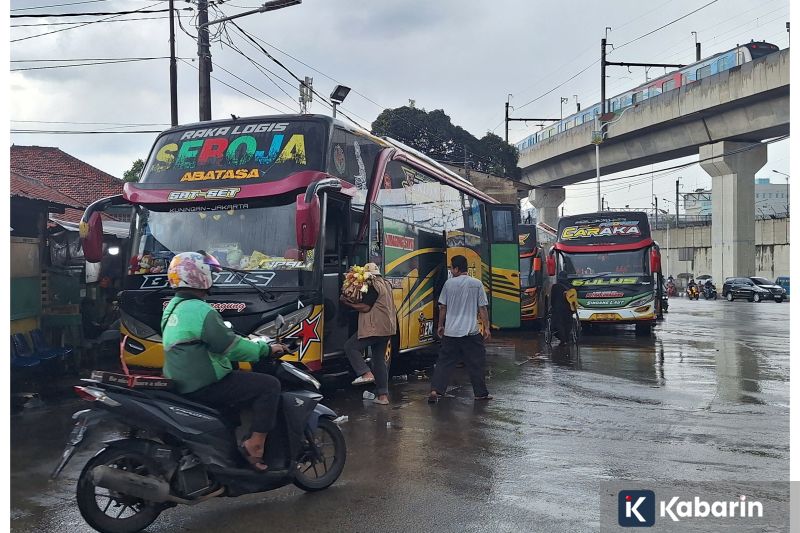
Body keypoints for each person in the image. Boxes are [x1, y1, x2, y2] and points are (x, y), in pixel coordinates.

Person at [161, 252, 287, 472]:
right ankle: (255, 445)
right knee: (269, 386)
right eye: (208, 272)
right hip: (204, 383)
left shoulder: (172, 308)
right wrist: (265, 349)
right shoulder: (201, 310)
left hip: (180, 380)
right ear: (198, 276)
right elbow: (230, 347)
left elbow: (217, 340)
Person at [428, 255, 492, 403]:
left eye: (451, 267)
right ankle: (480, 393)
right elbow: (482, 308)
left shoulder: (448, 284)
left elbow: (443, 307)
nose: (451, 270)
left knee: (444, 362)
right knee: (476, 362)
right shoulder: (476, 284)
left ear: (457, 269)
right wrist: (487, 327)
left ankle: (435, 390)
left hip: (451, 332)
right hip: (470, 332)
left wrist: (440, 325)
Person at [340, 262, 398, 406]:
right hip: (387, 329)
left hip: (374, 328)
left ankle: (365, 373)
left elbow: (365, 307)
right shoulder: (386, 283)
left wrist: (348, 303)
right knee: (379, 360)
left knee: (350, 347)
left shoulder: (373, 285)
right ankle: (383, 396)